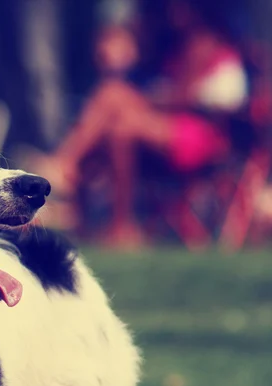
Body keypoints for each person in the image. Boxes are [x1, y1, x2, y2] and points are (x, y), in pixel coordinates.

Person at [39, 0, 248, 247]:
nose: (174, 12)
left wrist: (158, 98)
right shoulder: (167, 44)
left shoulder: (212, 48)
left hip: (203, 138)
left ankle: (63, 165)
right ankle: (121, 228)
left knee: (113, 94)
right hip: (165, 127)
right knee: (119, 129)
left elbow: (208, 99)